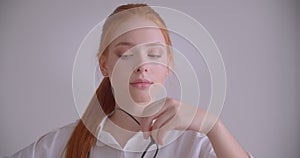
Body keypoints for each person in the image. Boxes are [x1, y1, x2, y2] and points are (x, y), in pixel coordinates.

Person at [11, 3, 253, 158]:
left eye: (154, 54)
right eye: (126, 54)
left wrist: (213, 126)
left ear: (168, 66)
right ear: (104, 65)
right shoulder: (62, 143)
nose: (141, 66)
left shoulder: (196, 145)